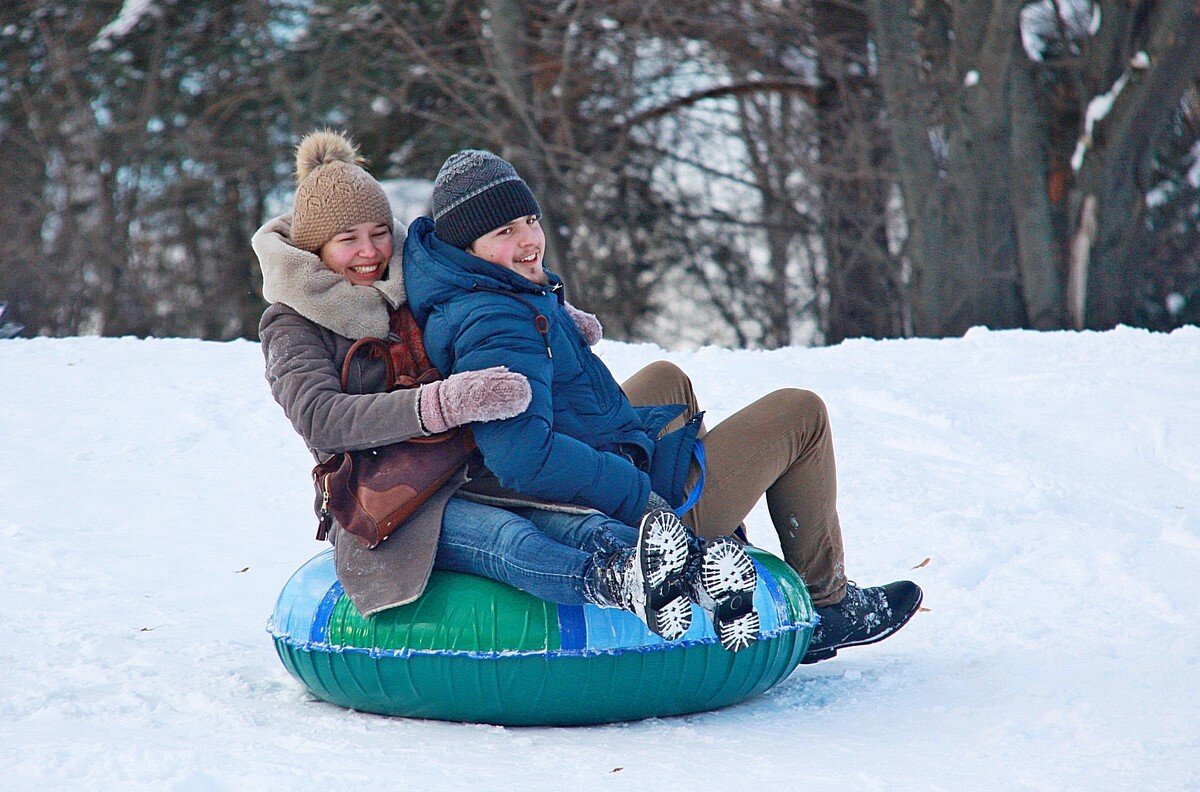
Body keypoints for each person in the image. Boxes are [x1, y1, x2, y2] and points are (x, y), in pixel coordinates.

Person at [403, 149, 924, 663]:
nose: (529, 241)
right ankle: (826, 603)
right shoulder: (495, 321)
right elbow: (523, 459)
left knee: (664, 378)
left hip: (590, 458)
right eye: (504, 232)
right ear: (467, 247)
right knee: (800, 412)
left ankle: (726, 540)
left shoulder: (487, 291)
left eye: (530, 220)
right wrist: (637, 495)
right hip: (613, 511)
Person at [254, 130, 722, 644]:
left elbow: (470, 286)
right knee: (510, 539)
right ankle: (620, 582)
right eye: (348, 240)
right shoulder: (291, 321)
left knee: (575, 522)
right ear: (315, 248)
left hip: (466, 469)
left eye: (379, 232)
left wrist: (552, 322)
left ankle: (705, 576)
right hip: (391, 499)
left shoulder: (403, 285)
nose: (370, 252)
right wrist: (439, 404)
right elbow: (320, 415)